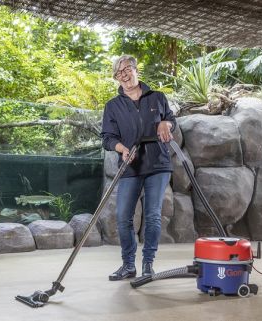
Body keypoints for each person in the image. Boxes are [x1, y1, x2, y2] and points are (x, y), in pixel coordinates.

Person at [101, 55, 176, 281]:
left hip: (157, 164)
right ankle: (128, 265)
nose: (124, 75)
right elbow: (107, 137)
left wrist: (166, 123)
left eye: (127, 69)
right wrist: (122, 148)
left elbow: (172, 119)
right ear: (116, 77)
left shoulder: (157, 97)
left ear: (136, 70)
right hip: (130, 165)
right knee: (123, 216)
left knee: (153, 215)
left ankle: (148, 264)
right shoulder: (113, 106)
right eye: (119, 73)